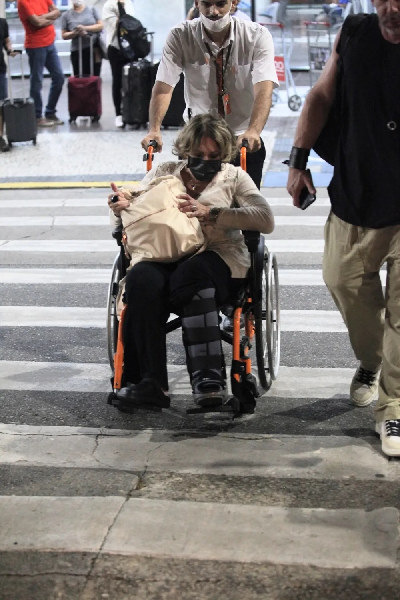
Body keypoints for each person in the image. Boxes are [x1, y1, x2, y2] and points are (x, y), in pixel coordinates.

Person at [286, 6, 400, 457]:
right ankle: (373, 360)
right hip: (357, 194)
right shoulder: (354, 32)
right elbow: (321, 97)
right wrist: (298, 161)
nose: (391, 9)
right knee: (342, 282)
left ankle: (393, 407)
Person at [109, 114, 274, 410]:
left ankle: (208, 380)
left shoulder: (234, 177)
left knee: (193, 273)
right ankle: (150, 383)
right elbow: (133, 209)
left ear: (223, 154)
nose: (205, 160)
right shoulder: (166, 171)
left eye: (213, 155)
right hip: (166, 253)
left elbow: (265, 218)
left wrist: (210, 212)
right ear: (186, 151)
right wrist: (121, 206)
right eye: (198, 155)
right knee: (141, 279)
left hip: (219, 257)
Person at [141, 0, 278, 191]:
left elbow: (264, 87)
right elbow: (164, 86)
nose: (213, 11)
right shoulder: (181, 35)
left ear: (234, 2)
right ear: (197, 2)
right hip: (199, 141)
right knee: (192, 208)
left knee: (243, 211)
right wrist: (154, 129)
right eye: (207, 3)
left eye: (221, 3)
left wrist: (254, 130)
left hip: (241, 137)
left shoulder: (256, 35)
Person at [17, 0, 65, 127]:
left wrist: (43, 17)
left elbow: (57, 12)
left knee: (59, 77)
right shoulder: (23, 2)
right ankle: (37, 116)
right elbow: (37, 23)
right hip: (35, 46)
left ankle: (50, 112)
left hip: (50, 43)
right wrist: (50, 17)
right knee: (37, 81)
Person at [102, 0, 134, 128]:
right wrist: (120, 6)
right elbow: (120, 24)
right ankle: (118, 114)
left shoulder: (129, 4)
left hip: (129, 47)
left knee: (131, 80)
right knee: (117, 81)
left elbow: (133, 24)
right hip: (115, 47)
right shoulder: (109, 5)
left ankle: (131, 112)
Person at [61, 0, 103, 78]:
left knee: (95, 76)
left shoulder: (92, 9)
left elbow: (100, 26)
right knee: (79, 77)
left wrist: (84, 28)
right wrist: (75, 32)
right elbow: (64, 35)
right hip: (77, 50)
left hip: (94, 48)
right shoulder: (66, 15)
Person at [0, 17, 17, 152]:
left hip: (0, 68)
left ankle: (0, 137)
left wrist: (10, 50)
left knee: (1, 105)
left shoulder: (2, 22)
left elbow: (6, 40)